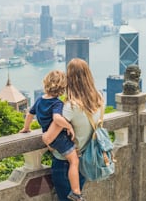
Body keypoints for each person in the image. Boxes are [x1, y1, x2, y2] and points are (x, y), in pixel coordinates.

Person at [42, 58, 105, 201]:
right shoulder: (99, 98)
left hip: (64, 163)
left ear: (69, 78)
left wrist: (48, 143)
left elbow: (48, 138)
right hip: (84, 160)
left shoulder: (70, 107)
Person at [19, 70, 84, 201]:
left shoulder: (39, 100)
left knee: (72, 159)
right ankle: (76, 192)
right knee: (74, 161)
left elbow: (30, 114)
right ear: (62, 88)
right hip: (60, 139)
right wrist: (68, 125)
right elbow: (57, 118)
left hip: (50, 138)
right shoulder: (57, 103)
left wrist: (26, 128)